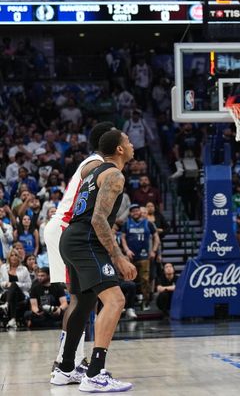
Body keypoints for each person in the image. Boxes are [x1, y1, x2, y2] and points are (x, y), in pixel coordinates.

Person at [52, 129, 137, 390]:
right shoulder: (114, 175)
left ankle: (65, 368)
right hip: (86, 240)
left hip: (70, 238)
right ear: (120, 149)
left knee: (86, 300)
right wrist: (119, 256)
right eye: (129, 142)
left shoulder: (93, 172)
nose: (132, 145)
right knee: (116, 300)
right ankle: (95, 374)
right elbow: (98, 219)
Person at [43, 121, 113, 374]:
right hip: (65, 227)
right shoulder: (96, 165)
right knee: (82, 299)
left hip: (63, 228)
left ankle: (69, 361)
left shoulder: (92, 162)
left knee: (83, 299)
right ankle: (67, 363)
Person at [120, 203, 159, 309]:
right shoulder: (126, 224)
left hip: (144, 256)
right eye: (133, 211)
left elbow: (156, 237)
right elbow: (122, 238)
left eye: (137, 210)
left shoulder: (148, 223)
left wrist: (154, 251)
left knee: (145, 280)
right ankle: (128, 305)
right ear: (130, 213)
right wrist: (126, 250)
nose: (135, 212)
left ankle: (145, 303)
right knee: (128, 280)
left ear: (140, 212)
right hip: (130, 257)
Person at [0, 249, 32, 328]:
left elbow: (29, 285)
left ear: (19, 257)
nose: (14, 257)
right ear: (9, 257)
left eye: (16, 255)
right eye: (12, 255)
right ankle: (13, 320)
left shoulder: (24, 269)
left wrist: (16, 284)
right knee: (12, 293)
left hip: (21, 293)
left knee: (14, 285)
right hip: (7, 293)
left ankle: (6, 305)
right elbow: (1, 282)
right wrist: (6, 284)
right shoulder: (3, 267)